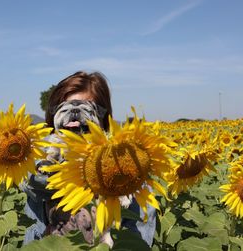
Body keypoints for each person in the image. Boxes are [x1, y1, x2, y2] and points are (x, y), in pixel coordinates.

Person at [20, 71, 156, 247]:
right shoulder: (38, 148)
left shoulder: (125, 159)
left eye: (84, 107)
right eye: (65, 107)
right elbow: (29, 179)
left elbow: (140, 227)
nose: (75, 114)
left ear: (101, 115)